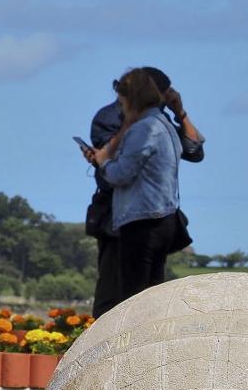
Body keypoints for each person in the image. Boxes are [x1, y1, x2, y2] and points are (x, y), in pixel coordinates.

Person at [85, 66, 205, 316]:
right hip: (148, 217)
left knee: (133, 299)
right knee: (144, 294)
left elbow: (121, 173)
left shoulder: (147, 126)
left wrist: (103, 162)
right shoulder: (159, 124)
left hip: (140, 218)